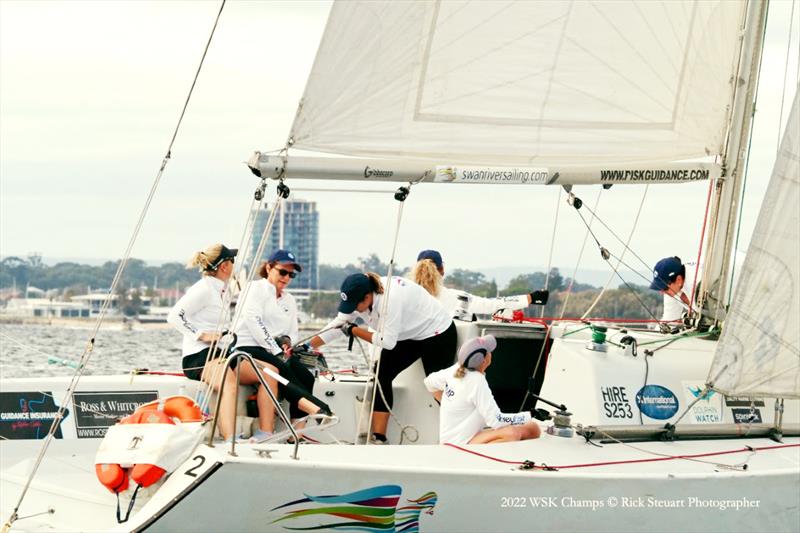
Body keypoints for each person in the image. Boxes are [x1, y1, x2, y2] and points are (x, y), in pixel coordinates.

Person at [310, 272, 456, 444]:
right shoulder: (361, 300)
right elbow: (337, 326)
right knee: (381, 375)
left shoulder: (390, 300)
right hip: (408, 333)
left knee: (436, 384)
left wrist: (355, 330)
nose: (354, 310)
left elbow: (387, 342)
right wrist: (307, 346)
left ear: (367, 296)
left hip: (437, 332)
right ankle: (380, 438)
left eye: (355, 305)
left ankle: (456, 434)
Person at [235, 249, 327, 441]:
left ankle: (296, 434)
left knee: (306, 376)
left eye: (291, 274)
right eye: (282, 272)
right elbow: (253, 320)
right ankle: (316, 408)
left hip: (275, 350)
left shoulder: (289, 300)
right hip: (248, 347)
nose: (287, 278)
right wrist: (275, 349)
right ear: (269, 267)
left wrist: (286, 343)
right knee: (283, 369)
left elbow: (292, 331)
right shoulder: (254, 288)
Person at [167, 243, 247, 441]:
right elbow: (175, 316)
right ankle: (230, 438)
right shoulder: (203, 288)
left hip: (220, 353)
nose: (234, 265)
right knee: (229, 383)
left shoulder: (222, 289)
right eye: (232, 261)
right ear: (224, 266)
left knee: (263, 372)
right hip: (198, 356)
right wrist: (201, 335)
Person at [424, 335, 541, 445]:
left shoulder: (456, 369)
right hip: (460, 444)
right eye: (489, 352)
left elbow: (429, 382)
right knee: (511, 434)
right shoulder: (477, 381)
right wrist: (531, 414)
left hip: (459, 438)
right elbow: (496, 421)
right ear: (484, 360)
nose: (491, 353)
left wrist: (445, 400)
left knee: (533, 429)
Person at [412, 249, 546, 319]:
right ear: (441, 270)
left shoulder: (405, 293)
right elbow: (490, 305)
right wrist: (530, 298)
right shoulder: (454, 298)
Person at [649, 256, 694, 322]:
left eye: (665, 288)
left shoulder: (695, 282)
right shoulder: (671, 291)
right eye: (660, 288)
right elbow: (669, 321)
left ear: (678, 280)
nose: (662, 292)